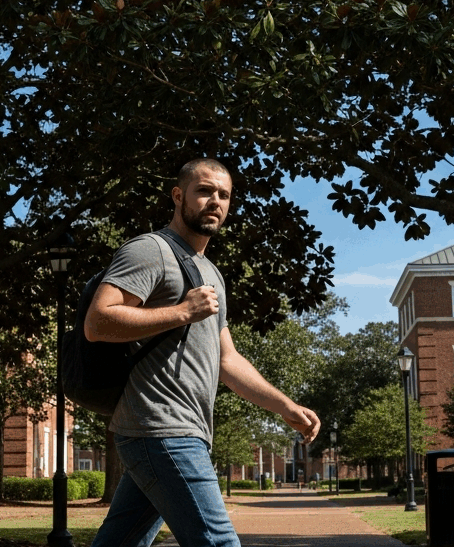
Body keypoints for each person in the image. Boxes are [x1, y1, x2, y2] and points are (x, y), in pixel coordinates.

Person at [85, 158, 320, 547]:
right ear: (179, 196)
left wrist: (285, 406)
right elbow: (98, 322)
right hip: (161, 426)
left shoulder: (210, 273)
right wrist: (181, 311)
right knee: (218, 543)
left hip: (179, 430)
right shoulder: (150, 250)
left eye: (223, 195)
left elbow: (226, 360)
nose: (215, 201)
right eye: (205, 191)